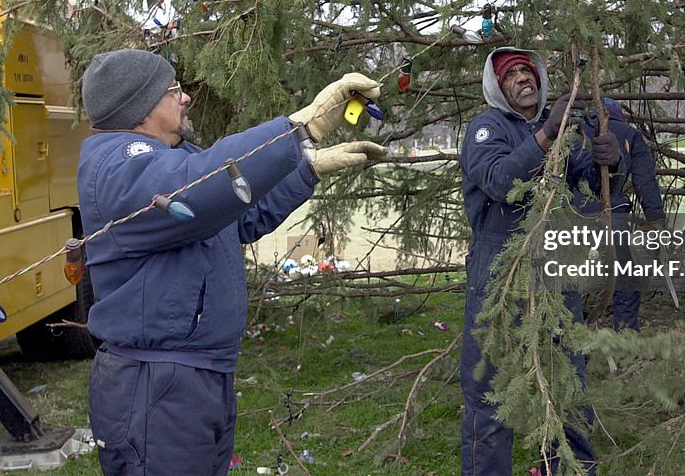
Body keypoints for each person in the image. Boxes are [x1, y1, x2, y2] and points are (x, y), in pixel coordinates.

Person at [77, 48, 386, 476]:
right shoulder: (117, 164)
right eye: (173, 91)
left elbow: (238, 218)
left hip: (197, 375)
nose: (185, 98)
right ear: (141, 107)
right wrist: (299, 129)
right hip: (155, 385)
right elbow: (192, 191)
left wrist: (307, 169)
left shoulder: (169, 161)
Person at [459, 48, 624, 476]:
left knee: (567, 385)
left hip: (555, 277)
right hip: (499, 277)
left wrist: (611, 160)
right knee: (491, 395)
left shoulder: (558, 126)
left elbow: (588, 177)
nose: (522, 78)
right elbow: (498, 181)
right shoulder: (485, 129)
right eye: (511, 74)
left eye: (527, 71)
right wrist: (545, 137)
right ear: (497, 86)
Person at [601, 98, 665, 332]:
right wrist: (655, 219)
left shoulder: (576, 130)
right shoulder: (629, 135)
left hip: (571, 211)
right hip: (612, 214)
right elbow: (645, 182)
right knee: (626, 277)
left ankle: (565, 341)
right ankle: (624, 336)